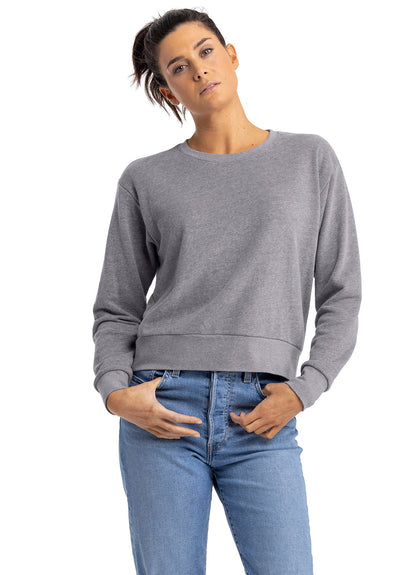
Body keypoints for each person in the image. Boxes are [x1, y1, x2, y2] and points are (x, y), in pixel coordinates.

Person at [91, 8, 362, 575]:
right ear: (167, 90)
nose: (199, 70)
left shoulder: (309, 158)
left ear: (231, 55)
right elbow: (117, 307)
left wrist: (306, 388)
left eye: (206, 51)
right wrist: (116, 392)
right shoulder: (145, 178)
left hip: (263, 407)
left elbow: (341, 292)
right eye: (178, 67)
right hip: (161, 404)